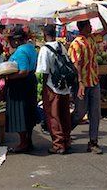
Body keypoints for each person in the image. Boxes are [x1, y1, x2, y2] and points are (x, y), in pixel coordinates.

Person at [68, 12, 107, 154]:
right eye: (89, 25)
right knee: (80, 112)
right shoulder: (76, 44)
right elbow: (76, 64)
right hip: (82, 84)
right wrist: (80, 82)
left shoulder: (92, 38)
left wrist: (98, 14)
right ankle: (64, 132)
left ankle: (93, 142)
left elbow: (106, 30)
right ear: (83, 27)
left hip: (94, 82)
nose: (92, 27)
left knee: (95, 113)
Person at [36, 24, 71, 155]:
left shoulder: (45, 50)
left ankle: (58, 144)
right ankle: (67, 141)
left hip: (52, 87)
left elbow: (42, 72)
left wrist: (41, 89)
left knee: (53, 116)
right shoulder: (61, 46)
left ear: (45, 35)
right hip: (65, 87)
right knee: (64, 115)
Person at [4, 27, 38, 154]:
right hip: (30, 83)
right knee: (28, 112)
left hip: (20, 86)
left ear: (17, 40)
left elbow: (23, 71)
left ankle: (23, 143)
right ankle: (28, 141)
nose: (10, 43)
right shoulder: (31, 48)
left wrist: (7, 76)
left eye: (11, 40)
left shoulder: (21, 51)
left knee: (20, 114)